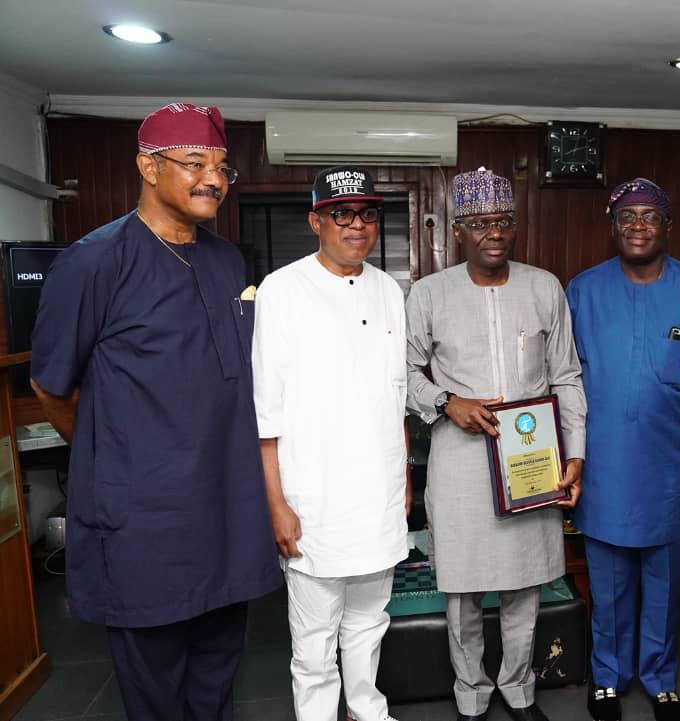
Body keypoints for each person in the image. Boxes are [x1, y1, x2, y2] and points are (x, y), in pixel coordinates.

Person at [29, 103, 281, 720]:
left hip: (227, 506)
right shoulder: (94, 261)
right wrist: (114, 455)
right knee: (155, 679)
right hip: (146, 519)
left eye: (222, 167)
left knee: (219, 667)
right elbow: (51, 385)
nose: (213, 180)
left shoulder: (227, 260)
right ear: (148, 166)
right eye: (195, 163)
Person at [405, 167, 586, 721]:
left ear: (515, 226)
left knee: (524, 585)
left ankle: (519, 690)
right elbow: (404, 372)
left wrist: (575, 453)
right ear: (459, 230)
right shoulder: (430, 293)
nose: (494, 232)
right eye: (480, 222)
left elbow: (566, 376)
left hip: (531, 458)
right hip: (459, 462)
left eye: (503, 221)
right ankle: (471, 695)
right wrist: (444, 402)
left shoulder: (543, 286)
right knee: (461, 591)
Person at [253, 167, 410, 721]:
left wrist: (404, 484)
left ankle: (369, 711)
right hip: (312, 500)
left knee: (370, 623)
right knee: (315, 640)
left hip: (380, 496)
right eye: (342, 213)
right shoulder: (282, 290)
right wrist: (277, 503)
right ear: (315, 220)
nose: (357, 225)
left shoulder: (389, 291)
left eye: (368, 213)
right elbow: (264, 413)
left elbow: (395, 397)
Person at [567, 178, 680, 721]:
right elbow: (567, 377)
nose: (639, 225)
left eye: (650, 216)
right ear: (613, 228)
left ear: (667, 228)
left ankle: (660, 679)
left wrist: (662, 413)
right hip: (605, 462)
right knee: (607, 579)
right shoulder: (583, 291)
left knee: (662, 580)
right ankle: (607, 676)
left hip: (668, 465)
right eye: (627, 216)